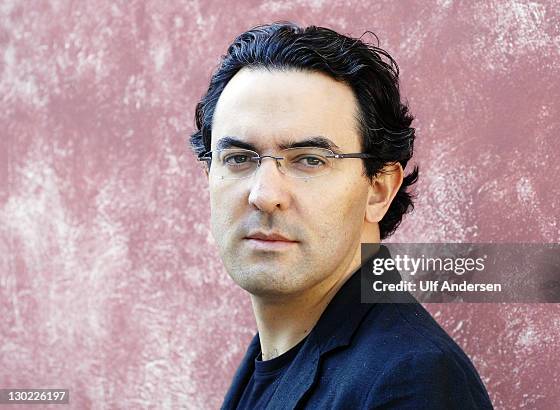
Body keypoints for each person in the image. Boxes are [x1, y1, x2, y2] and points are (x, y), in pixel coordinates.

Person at [190, 22, 493, 409]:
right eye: (238, 158)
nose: (264, 195)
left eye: (310, 160)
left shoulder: (412, 380)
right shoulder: (271, 356)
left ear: (379, 189)